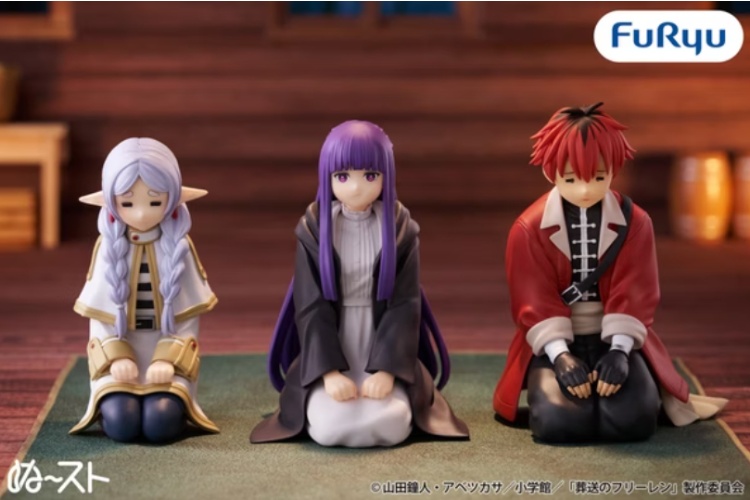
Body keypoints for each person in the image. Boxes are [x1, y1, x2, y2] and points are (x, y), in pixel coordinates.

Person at [493, 103, 726, 443]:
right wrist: (560, 355)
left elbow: (636, 291)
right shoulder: (528, 228)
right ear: (549, 172)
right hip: (555, 340)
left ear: (613, 171)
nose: (585, 190)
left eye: (599, 177)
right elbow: (532, 301)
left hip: (613, 335)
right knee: (560, 423)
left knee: (633, 420)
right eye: (571, 179)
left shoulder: (636, 223)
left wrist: (619, 350)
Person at [251, 120, 469, 447]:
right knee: (330, 426)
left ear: (386, 176)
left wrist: (387, 371)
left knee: (391, 422)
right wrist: (329, 374)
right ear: (328, 177)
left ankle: (387, 379)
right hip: (332, 343)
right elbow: (310, 306)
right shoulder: (313, 231)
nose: (356, 188)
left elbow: (405, 304)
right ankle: (327, 381)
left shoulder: (401, 230)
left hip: (382, 342)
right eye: (342, 176)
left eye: (369, 176)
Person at [70, 138, 218, 443]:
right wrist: (116, 358)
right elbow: (99, 320)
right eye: (127, 203)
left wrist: (167, 359)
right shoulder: (108, 248)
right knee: (121, 423)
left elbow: (188, 320)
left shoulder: (179, 247)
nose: (140, 214)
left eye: (154, 202)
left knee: (160, 423)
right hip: (118, 365)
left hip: (167, 365)